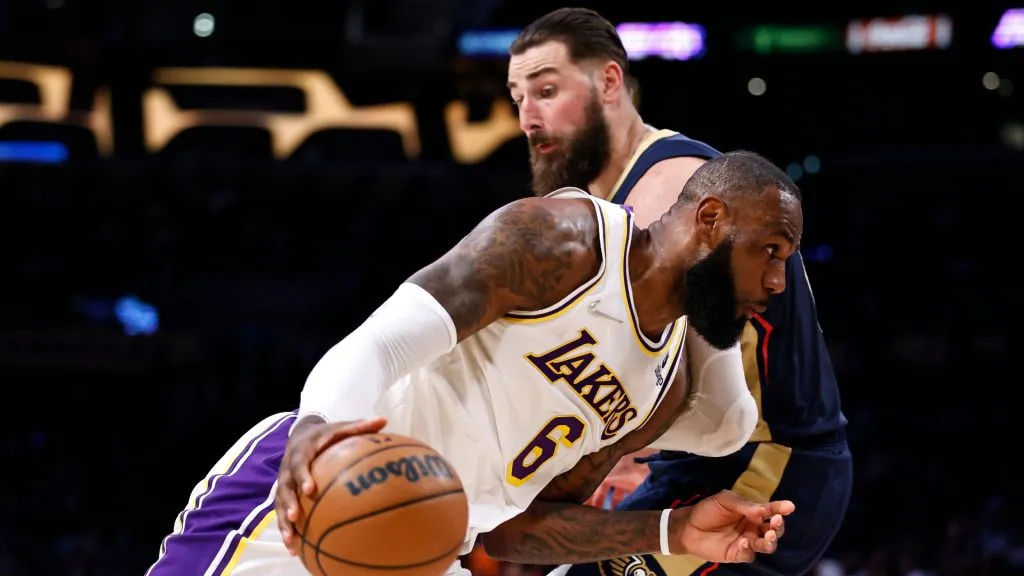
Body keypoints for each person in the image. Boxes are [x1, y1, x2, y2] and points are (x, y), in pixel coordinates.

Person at [145, 150, 804, 576]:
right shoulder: (565, 244)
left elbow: (518, 529)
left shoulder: (664, 387)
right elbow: (379, 345)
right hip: (321, 494)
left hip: (428, 550)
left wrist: (674, 529)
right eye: (770, 250)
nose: (778, 282)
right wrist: (320, 430)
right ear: (711, 219)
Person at [506, 8, 852, 576]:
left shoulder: (667, 188)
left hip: (766, 466)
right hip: (703, 463)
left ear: (609, 83)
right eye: (518, 97)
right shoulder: (619, 198)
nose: (528, 118)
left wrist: (610, 458)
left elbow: (667, 376)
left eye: (546, 90)